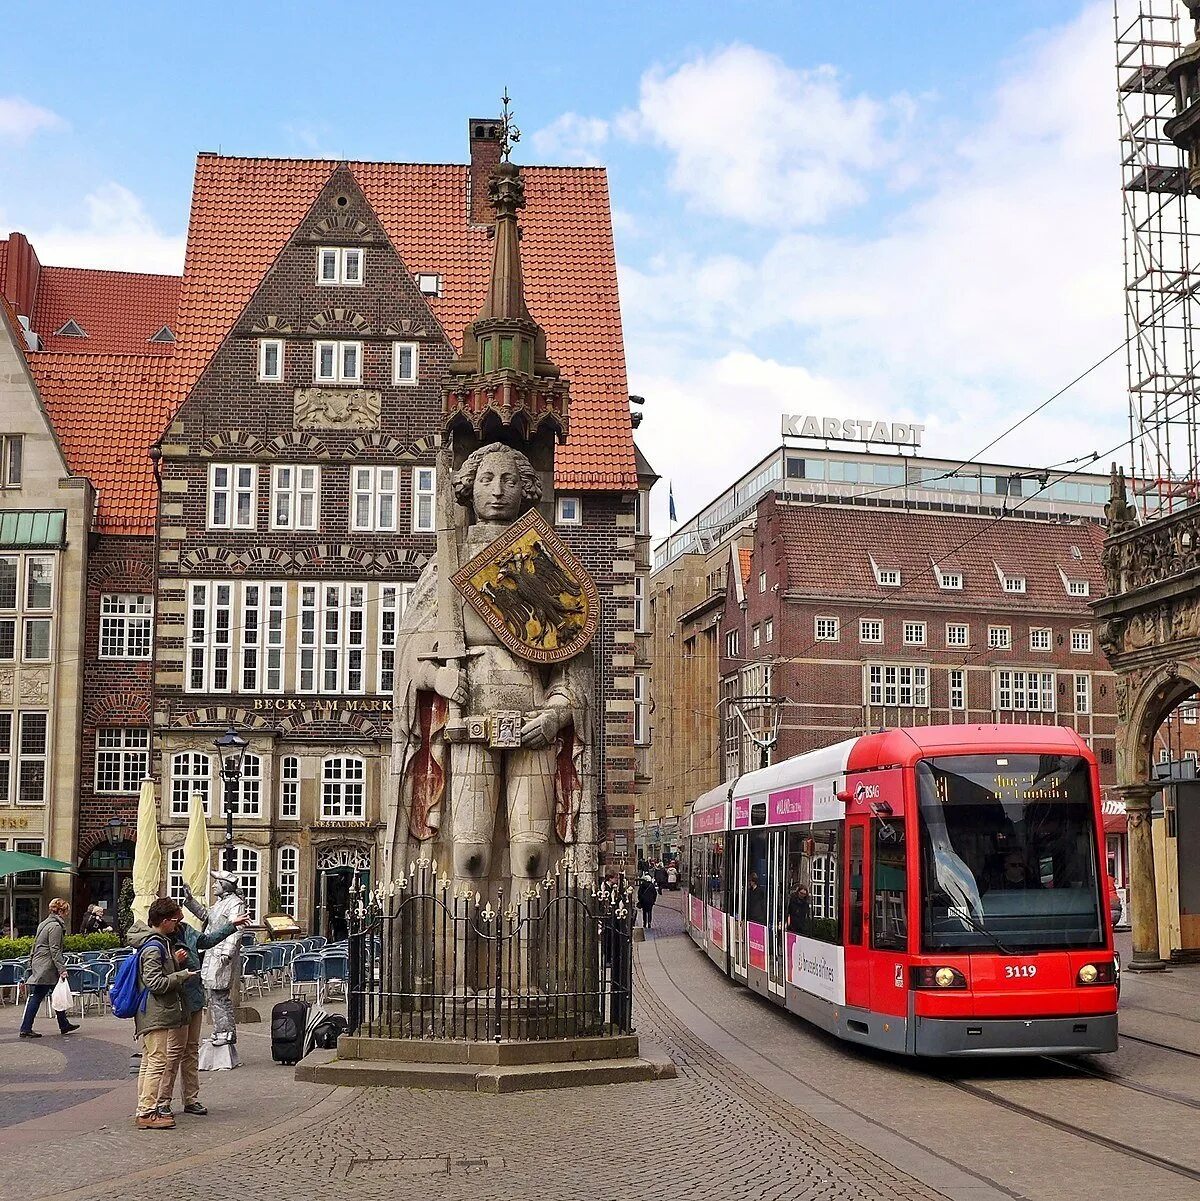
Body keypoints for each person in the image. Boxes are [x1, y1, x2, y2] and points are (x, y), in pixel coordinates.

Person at [156, 904, 251, 1116]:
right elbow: (156, 972)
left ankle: (190, 1098)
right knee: (173, 1053)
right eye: (176, 918)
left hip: (194, 998)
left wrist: (231, 926)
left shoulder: (187, 930)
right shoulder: (160, 939)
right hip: (176, 1000)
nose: (180, 920)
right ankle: (163, 1100)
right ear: (167, 920)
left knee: (191, 1050)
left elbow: (207, 941)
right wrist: (174, 961)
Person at [127, 897, 198, 1130]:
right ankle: (147, 1112)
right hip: (155, 1012)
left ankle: (144, 1108)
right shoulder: (154, 947)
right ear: (165, 921)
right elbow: (155, 983)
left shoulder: (157, 943)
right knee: (157, 1061)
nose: (178, 925)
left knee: (150, 1061)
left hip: (153, 1012)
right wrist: (182, 975)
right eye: (175, 921)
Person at [19, 898, 79, 1038]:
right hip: (47, 966)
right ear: (60, 911)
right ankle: (26, 1027)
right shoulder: (55, 927)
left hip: (40, 964)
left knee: (56, 993)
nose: (67, 914)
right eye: (66, 911)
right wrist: (62, 969)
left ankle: (63, 1024)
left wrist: (31, 961)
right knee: (39, 995)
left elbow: (36, 944)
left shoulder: (44, 924)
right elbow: (55, 949)